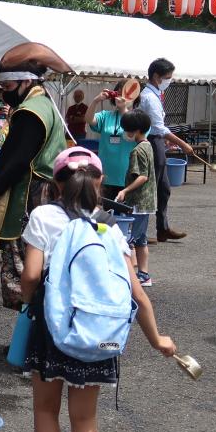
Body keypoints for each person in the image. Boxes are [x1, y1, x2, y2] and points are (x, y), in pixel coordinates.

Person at [16, 146, 175, 432]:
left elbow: (31, 275)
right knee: (84, 419)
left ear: (56, 183)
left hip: (54, 328)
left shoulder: (44, 216)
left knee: (45, 410)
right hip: (99, 331)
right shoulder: (110, 226)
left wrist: (27, 303)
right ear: (100, 181)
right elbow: (136, 293)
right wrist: (157, 339)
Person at [0, 43, 69, 312]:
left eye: (8, 87)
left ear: (26, 81)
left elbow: (17, 160)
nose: (4, 93)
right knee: (44, 264)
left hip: (31, 196)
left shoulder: (30, 111)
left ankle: (30, 330)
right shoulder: (43, 104)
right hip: (46, 194)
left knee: (28, 269)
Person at [139, 59, 194, 243]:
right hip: (151, 143)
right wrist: (182, 144)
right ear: (156, 76)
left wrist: (166, 140)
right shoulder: (149, 97)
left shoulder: (155, 95)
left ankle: (162, 228)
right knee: (149, 189)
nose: (169, 80)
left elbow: (158, 128)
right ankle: (139, 232)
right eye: (168, 77)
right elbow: (158, 128)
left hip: (157, 142)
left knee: (163, 189)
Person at [118, 109, 157, 287]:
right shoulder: (147, 145)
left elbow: (142, 176)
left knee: (128, 240)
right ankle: (143, 274)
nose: (126, 133)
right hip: (147, 202)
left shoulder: (137, 151)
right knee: (141, 239)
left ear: (136, 130)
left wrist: (125, 191)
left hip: (138, 202)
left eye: (127, 129)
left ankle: (128, 276)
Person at [84, 84, 137, 200]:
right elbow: (88, 119)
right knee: (105, 209)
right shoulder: (106, 115)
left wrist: (124, 110)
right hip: (105, 175)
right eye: (118, 92)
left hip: (126, 176)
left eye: (125, 93)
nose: (120, 96)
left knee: (123, 210)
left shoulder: (138, 118)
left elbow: (134, 132)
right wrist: (96, 101)